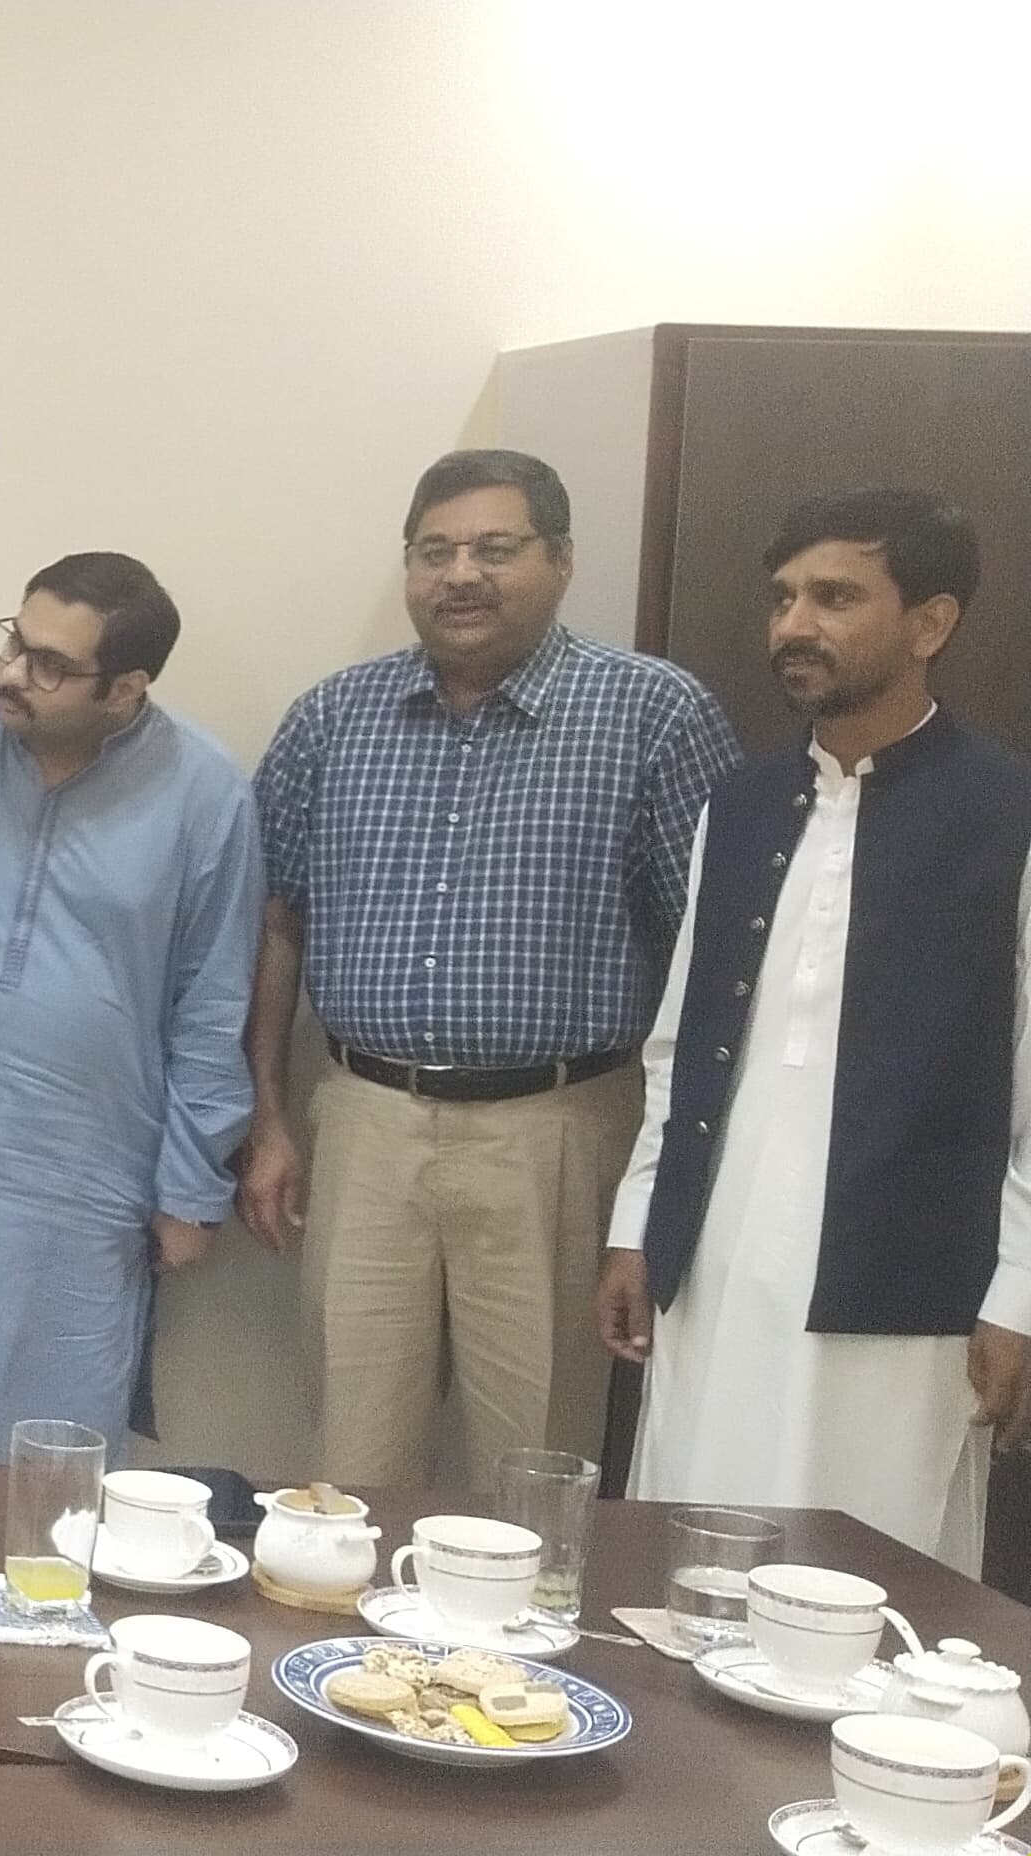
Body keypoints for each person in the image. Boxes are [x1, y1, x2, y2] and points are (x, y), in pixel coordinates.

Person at [243, 449, 740, 1488]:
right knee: (351, 1462)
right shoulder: (333, 716)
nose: (459, 574)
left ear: (560, 560)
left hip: (554, 1132)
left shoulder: (652, 713)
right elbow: (276, 923)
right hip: (366, 1124)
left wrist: (669, 1177)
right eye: (434, 551)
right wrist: (270, 1117)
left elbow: (713, 953)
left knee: (536, 1467)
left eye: (494, 548)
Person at [599, 489, 1028, 1572]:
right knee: (691, 1550)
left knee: (870, 1573)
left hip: (907, 1272)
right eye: (784, 597)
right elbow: (676, 1045)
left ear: (930, 623)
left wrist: (1018, 1296)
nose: (794, 624)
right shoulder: (740, 806)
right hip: (717, 1253)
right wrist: (637, 1223)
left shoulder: (1005, 813)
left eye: (835, 597)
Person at [0, 554, 259, 1464]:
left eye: (50, 666)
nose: (10, 674)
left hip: (83, 1178)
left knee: (50, 1455)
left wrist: (190, 1191)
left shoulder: (205, 792)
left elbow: (212, 998)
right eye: (14, 642)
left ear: (127, 689)